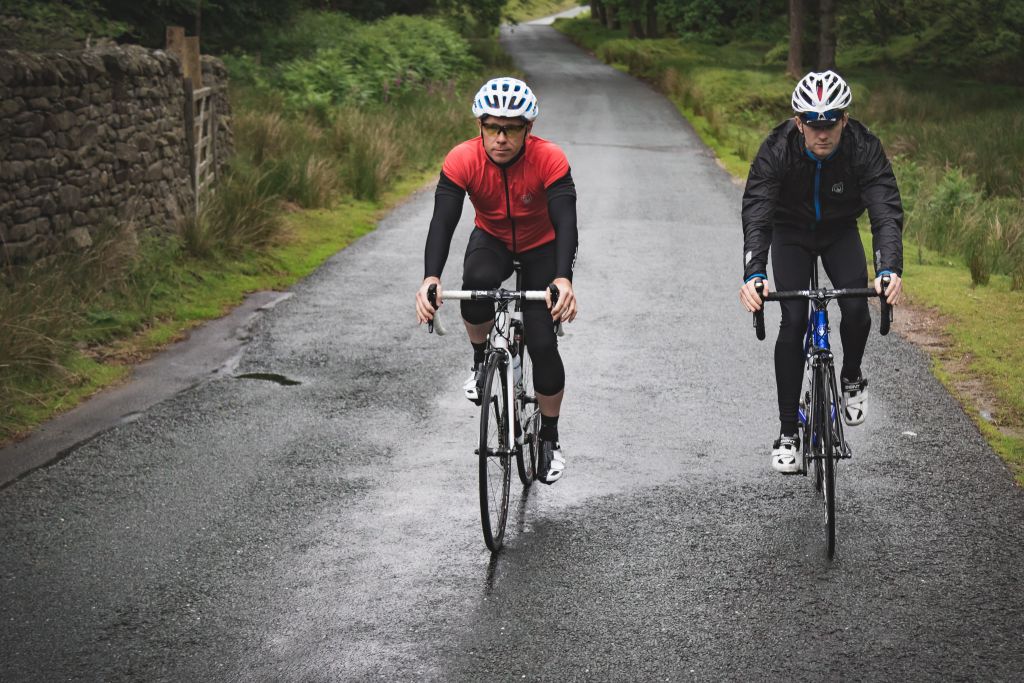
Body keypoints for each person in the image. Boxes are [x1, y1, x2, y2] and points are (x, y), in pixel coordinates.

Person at [737, 70, 905, 473]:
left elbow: (885, 208)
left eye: (830, 123)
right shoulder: (777, 149)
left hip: (838, 230)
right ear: (799, 123)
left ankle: (850, 377)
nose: (822, 134)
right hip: (790, 230)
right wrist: (753, 272)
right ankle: (788, 432)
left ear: (844, 121)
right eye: (813, 125)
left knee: (857, 308)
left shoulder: (863, 147)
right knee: (793, 320)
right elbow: (758, 211)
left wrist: (889, 267)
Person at [414, 76, 578, 485]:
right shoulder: (461, 160)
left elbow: (566, 221)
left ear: (529, 130)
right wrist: (430, 278)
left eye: (512, 128)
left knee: (542, 341)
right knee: (475, 286)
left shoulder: (549, 159)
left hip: (542, 245)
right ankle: (478, 361)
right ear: (480, 127)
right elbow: (443, 222)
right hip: (493, 239)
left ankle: (550, 440)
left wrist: (563, 279)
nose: (501, 138)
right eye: (492, 127)